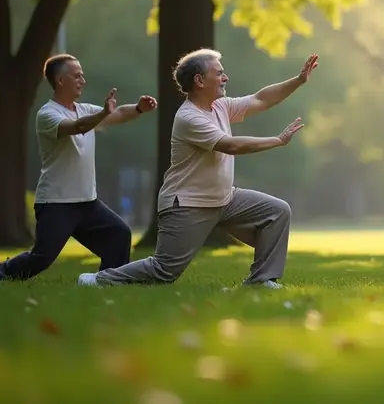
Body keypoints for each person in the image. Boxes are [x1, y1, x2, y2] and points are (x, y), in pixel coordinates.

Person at [78, 49, 318, 289]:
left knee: (277, 212)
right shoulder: (189, 117)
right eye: (219, 73)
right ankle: (98, 280)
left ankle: (261, 280)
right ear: (199, 80)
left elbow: (260, 99)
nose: (225, 78)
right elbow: (231, 145)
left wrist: (297, 80)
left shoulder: (220, 107)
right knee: (164, 270)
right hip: (187, 204)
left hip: (224, 199)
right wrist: (277, 140)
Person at [0, 54, 157, 281]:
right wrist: (103, 113)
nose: (82, 80)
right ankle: (3, 272)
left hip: (87, 203)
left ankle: (109, 281)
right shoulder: (47, 115)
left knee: (119, 235)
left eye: (82, 75)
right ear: (61, 80)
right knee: (41, 258)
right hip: (56, 203)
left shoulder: (84, 109)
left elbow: (119, 113)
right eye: (77, 76)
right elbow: (77, 127)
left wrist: (139, 108)